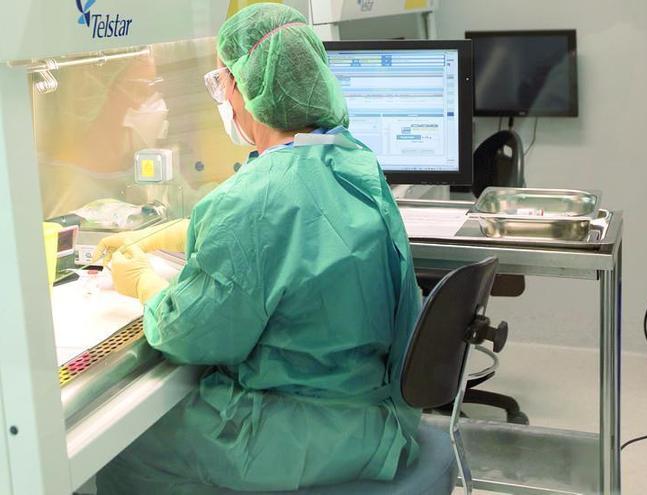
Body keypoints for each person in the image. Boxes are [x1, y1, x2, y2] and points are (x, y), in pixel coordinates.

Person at [95, 4, 422, 493]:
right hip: (376, 410)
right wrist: (181, 231)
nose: (222, 96)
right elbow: (301, 230)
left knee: (115, 446)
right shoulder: (350, 158)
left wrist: (143, 284)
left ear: (245, 88)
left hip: (304, 430)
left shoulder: (251, 200)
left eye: (222, 81)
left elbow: (193, 336)